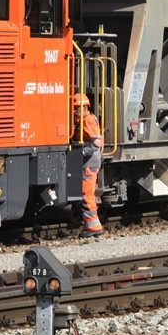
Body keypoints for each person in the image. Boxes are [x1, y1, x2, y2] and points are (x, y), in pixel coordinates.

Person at [71, 93, 104, 238]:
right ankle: (91, 225)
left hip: (89, 162)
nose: (75, 111)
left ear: (85, 107)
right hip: (89, 162)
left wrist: (81, 152)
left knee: (87, 193)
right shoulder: (83, 119)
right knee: (86, 193)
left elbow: (97, 142)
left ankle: (94, 226)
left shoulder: (87, 120)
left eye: (77, 108)